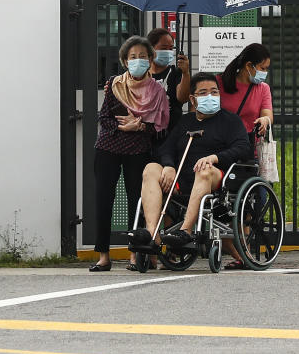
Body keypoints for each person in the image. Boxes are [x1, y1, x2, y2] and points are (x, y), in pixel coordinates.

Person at [134, 72, 251, 250]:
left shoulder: (230, 121)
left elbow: (243, 147)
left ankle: (186, 231)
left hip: (216, 178)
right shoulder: (185, 121)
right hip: (182, 178)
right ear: (193, 99)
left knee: (204, 170)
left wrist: (214, 158)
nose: (209, 96)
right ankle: (152, 235)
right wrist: (169, 166)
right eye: (203, 93)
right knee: (150, 168)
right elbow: (166, 148)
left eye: (214, 92)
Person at [90, 35, 170, 272]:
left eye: (143, 57)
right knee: (104, 200)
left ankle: (135, 254)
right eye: (133, 57)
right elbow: (104, 117)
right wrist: (123, 127)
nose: (138, 61)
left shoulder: (157, 91)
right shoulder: (114, 85)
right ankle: (103, 256)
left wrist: (141, 126)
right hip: (108, 147)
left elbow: (161, 125)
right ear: (125, 61)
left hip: (139, 150)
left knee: (138, 202)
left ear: (150, 59)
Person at [215, 43, 274, 269]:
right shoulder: (220, 84)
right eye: (262, 67)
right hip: (222, 148)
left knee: (254, 199)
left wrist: (265, 121)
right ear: (249, 66)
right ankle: (235, 245)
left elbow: (268, 113)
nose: (264, 72)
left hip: (249, 150)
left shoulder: (262, 89)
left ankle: (244, 247)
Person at [146, 27, 190, 135]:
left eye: (171, 48)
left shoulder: (175, 73)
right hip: (145, 135)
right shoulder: (142, 74)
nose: (168, 52)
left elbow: (182, 98)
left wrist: (185, 73)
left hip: (172, 133)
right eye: (164, 48)